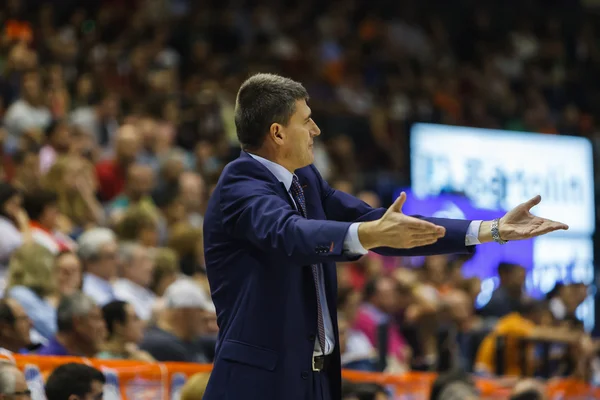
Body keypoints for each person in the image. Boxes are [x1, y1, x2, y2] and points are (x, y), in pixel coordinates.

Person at [202, 73, 568, 400]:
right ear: (277, 132)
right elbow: (288, 233)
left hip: (314, 379)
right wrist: (367, 234)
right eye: (307, 121)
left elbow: (386, 224)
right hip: (258, 384)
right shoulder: (240, 183)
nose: (315, 131)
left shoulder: (306, 181)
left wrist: (492, 230)